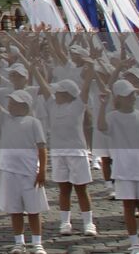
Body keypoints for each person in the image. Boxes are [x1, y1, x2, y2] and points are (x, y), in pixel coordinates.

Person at [100, 79, 139, 254]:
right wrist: (103, 106)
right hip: (122, 169)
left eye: (133, 94)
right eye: (129, 95)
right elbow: (101, 127)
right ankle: (134, 244)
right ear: (119, 97)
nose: (133, 97)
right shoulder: (112, 117)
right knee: (128, 207)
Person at [42, 78, 97, 236]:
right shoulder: (52, 105)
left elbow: (85, 89)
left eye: (58, 92)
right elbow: (44, 87)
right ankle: (65, 222)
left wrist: (90, 70)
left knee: (81, 189)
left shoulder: (77, 106)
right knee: (63, 190)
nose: (55, 94)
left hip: (76, 153)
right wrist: (32, 68)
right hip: (58, 153)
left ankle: (88, 223)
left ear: (67, 94)